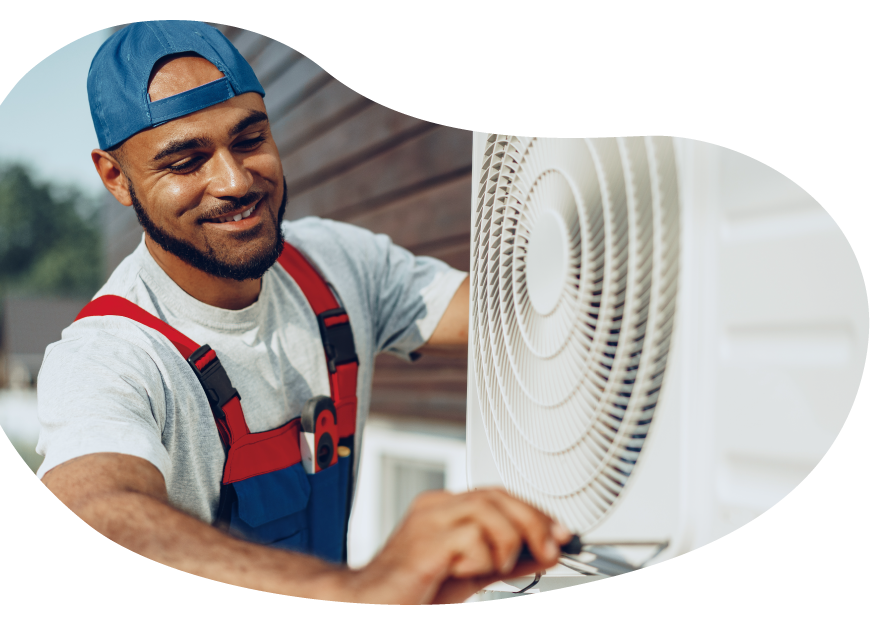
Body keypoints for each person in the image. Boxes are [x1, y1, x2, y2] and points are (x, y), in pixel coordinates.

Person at [36, 20, 571, 604]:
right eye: (186, 162)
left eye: (249, 140)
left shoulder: (339, 264)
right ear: (116, 177)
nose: (235, 181)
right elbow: (97, 509)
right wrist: (365, 587)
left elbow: (524, 312)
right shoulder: (109, 355)